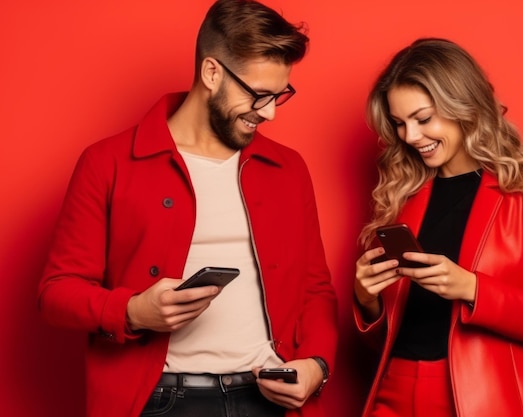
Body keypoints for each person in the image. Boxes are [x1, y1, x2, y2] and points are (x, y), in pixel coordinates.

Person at [38, 1, 338, 417]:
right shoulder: (107, 162)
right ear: (212, 73)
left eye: (279, 95)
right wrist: (133, 311)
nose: (268, 112)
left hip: (267, 398)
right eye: (258, 94)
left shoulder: (288, 168)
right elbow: (56, 291)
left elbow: (315, 288)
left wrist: (317, 365)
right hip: (161, 400)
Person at [353, 38, 523, 417]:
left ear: (462, 106)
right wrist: (367, 302)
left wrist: (473, 289)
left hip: (481, 398)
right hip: (393, 393)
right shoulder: (403, 194)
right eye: (399, 124)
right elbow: (390, 336)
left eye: (423, 118)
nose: (410, 137)